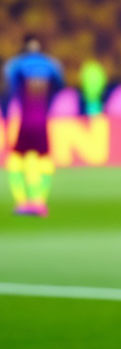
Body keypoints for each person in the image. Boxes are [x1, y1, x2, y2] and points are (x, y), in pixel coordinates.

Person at [4, 35, 64, 217]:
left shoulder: (16, 65)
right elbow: (59, 85)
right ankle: (39, 201)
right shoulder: (52, 64)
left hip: (25, 120)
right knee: (44, 160)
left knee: (15, 161)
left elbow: (10, 87)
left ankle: (22, 202)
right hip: (42, 120)